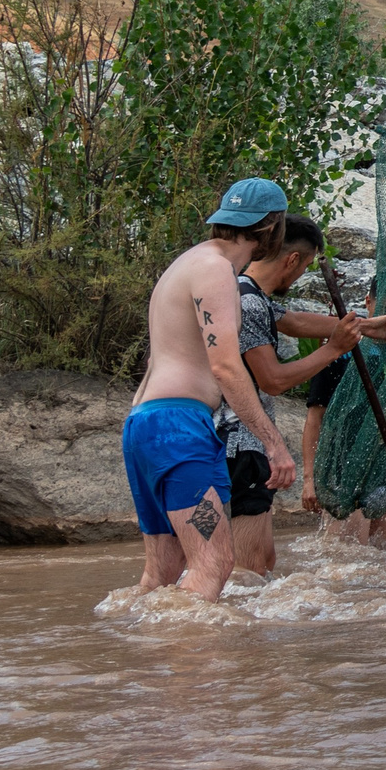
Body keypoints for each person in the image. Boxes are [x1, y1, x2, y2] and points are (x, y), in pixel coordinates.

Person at [122, 177, 294, 602]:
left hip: (145, 425)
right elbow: (225, 366)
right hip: (178, 430)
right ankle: (200, 670)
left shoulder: (189, 262)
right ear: (273, 227)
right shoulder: (217, 272)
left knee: (162, 572)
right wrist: (273, 445)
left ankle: (129, 656)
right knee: (214, 564)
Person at [218, 213, 386, 576]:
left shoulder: (249, 293)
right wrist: (334, 349)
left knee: (263, 562)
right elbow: (272, 381)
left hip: (241, 442)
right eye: (304, 268)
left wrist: (364, 326)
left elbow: (294, 321)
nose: (300, 276)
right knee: (247, 566)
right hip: (239, 438)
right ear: (292, 260)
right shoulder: (249, 301)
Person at [302, 290, 386, 549]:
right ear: (368, 302)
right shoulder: (338, 352)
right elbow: (315, 419)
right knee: (344, 560)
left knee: (385, 562)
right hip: (342, 472)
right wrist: (309, 478)